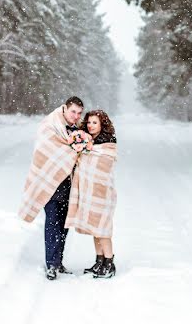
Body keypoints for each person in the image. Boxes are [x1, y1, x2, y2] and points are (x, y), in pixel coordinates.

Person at [18, 96, 84, 281]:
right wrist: (72, 150)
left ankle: (59, 261)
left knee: (64, 226)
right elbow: (47, 150)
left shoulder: (78, 130)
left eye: (79, 113)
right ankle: (51, 264)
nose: (76, 116)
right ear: (64, 108)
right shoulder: (50, 126)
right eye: (73, 112)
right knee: (52, 223)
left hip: (69, 185)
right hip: (51, 184)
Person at [65, 109, 117, 279]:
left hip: (102, 192)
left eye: (95, 122)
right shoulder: (86, 141)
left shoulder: (107, 143)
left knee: (103, 229)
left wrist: (88, 150)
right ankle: (99, 261)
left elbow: (103, 167)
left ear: (102, 124)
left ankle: (109, 264)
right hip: (90, 193)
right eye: (89, 122)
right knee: (95, 229)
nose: (91, 125)